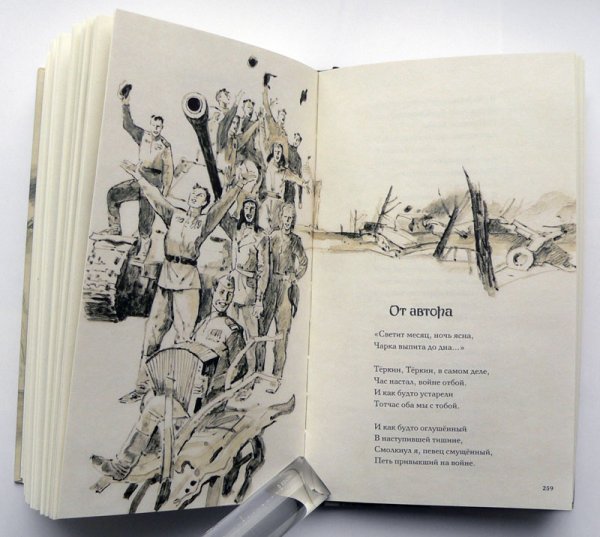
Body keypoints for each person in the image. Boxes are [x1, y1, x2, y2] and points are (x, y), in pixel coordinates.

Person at [91, 275, 246, 481]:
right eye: (221, 292)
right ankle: (151, 453)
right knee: (149, 397)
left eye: (229, 294)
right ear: (214, 292)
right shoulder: (203, 323)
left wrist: (212, 383)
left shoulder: (232, 330)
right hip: (187, 395)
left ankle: (121, 467)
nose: (224, 298)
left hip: (207, 402)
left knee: (155, 406)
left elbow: (239, 370)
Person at [118, 163, 249, 404]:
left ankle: (177, 393)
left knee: (184, 340)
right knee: (152, 336)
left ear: (204, 203)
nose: (194, 197)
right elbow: (155, 198)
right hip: (166, 279)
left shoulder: (205, 222)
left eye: (200, 196)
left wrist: (239, 184)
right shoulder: (175, 216)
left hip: (188, 283)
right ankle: (142, 386)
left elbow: (222, 205)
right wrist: (138, 175)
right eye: (193, 194)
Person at [105, 83, 174, 262]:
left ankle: (144, 246)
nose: (156, 129)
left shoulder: (165, 146)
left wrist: (164, 191)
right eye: (154, 125)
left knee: (145, 216)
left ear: (162, 128)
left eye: (159, 126)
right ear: (150, 124)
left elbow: (169, 171)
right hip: (139, 177)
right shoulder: (143, 136)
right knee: (113, 194)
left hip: (153, 183)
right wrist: (125, 103)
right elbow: (128, 125)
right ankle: (114, 227)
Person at [258, 203, 307, 381]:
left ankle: (276, 375)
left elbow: (303, 262)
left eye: (291, 219)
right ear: (280, 218)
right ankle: (258, 372)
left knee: (282, 333)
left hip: (285, 288)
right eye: (286, 218)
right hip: (270, 286)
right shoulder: (271, 238)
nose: (288, 222)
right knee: (262, 331)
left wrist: (295, 276)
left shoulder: (295, 241)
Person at [220, 199, 270, 372]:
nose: (249, 212)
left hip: (249, 288)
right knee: (231, 329)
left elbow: (263, 270)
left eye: (252, 209)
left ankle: (251, 371)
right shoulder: (236, 230)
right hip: (234, 284)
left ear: (256, 212)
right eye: (246, 208)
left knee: (251, 333)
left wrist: (259, 299)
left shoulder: (261, 236)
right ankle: (233, 370)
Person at [285, 132, 304, 208]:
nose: (296, 141)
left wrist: (300, 200)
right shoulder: (286, 148)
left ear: (299, 143)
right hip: (281, 184)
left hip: (291, 191)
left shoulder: (298, 159)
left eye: (298, 140)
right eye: (295, 138)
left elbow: (300, 178)